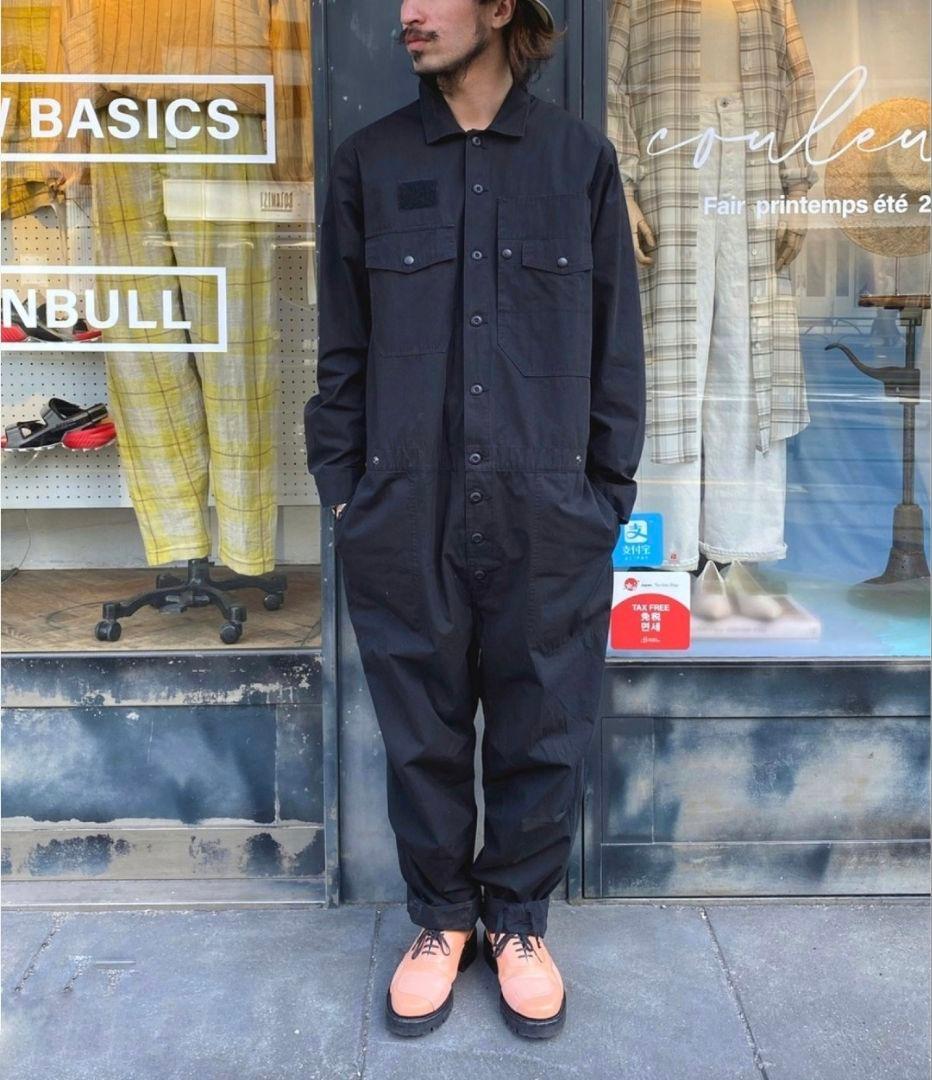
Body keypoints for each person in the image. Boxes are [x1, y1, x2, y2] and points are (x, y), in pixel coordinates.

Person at [304, 0, 645, 1040]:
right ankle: (442, 918)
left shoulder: (577, 163)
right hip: (405, 501)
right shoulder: (369, 164)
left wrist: (602, 493)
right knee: (422, 731)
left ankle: (519, 922)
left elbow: (615, 346)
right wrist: (346, 491)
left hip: (548, 504)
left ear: (500, 10)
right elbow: (342, 349)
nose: (409, 14)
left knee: (545, 722)